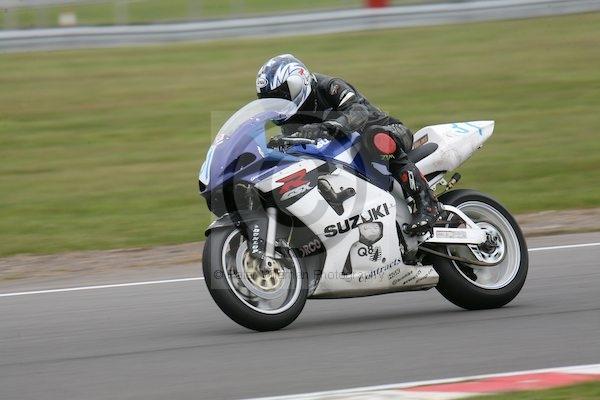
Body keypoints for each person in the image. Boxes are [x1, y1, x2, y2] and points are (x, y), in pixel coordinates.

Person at [256, 54, 440, 236]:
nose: (280, 103)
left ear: (299, 81)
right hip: (354, 153)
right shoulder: (290, 117)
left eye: (283, 95)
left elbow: (358, 111)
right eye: (271, 99)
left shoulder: (330, 86)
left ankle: (428, 203)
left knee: (375, 138)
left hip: (389, 132)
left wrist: (330, 126)